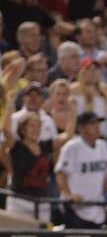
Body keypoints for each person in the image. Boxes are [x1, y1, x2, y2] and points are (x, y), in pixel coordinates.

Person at [2, 85, 76, 222]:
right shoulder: (17, 146)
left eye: (38, 126)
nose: (36, 130)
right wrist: (10, 103)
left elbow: (67, 136)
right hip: (20, 200)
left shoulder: (45, 146)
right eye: (32, 126)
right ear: (23, 129)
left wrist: (73, 112)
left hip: (41, 200)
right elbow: (6, 130)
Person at [54, 111, 107, 228]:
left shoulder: (103, 146)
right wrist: (69, 195)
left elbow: (104, 175)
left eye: (97, 124)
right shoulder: (72, 147)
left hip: (97, 206)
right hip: (75, 208)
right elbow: (60, 174)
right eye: (92, 124)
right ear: (81, 128)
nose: (97, 127)